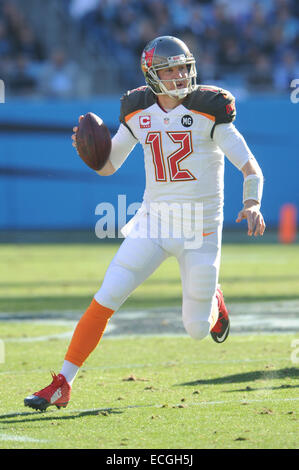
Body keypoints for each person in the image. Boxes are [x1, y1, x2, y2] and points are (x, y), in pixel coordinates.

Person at [24, 36, 265, 411]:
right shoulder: (137, 110)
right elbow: (109, 167)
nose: (181, 75)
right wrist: (88, 152)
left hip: (200, 231)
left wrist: (252, 203)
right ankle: (62, 383)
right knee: (107, 295)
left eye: (184, 66)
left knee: (197, 329)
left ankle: (214, 299)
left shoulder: (209, 108)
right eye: (171, 69)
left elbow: (250, 167)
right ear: (152, 74)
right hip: (153, 223)